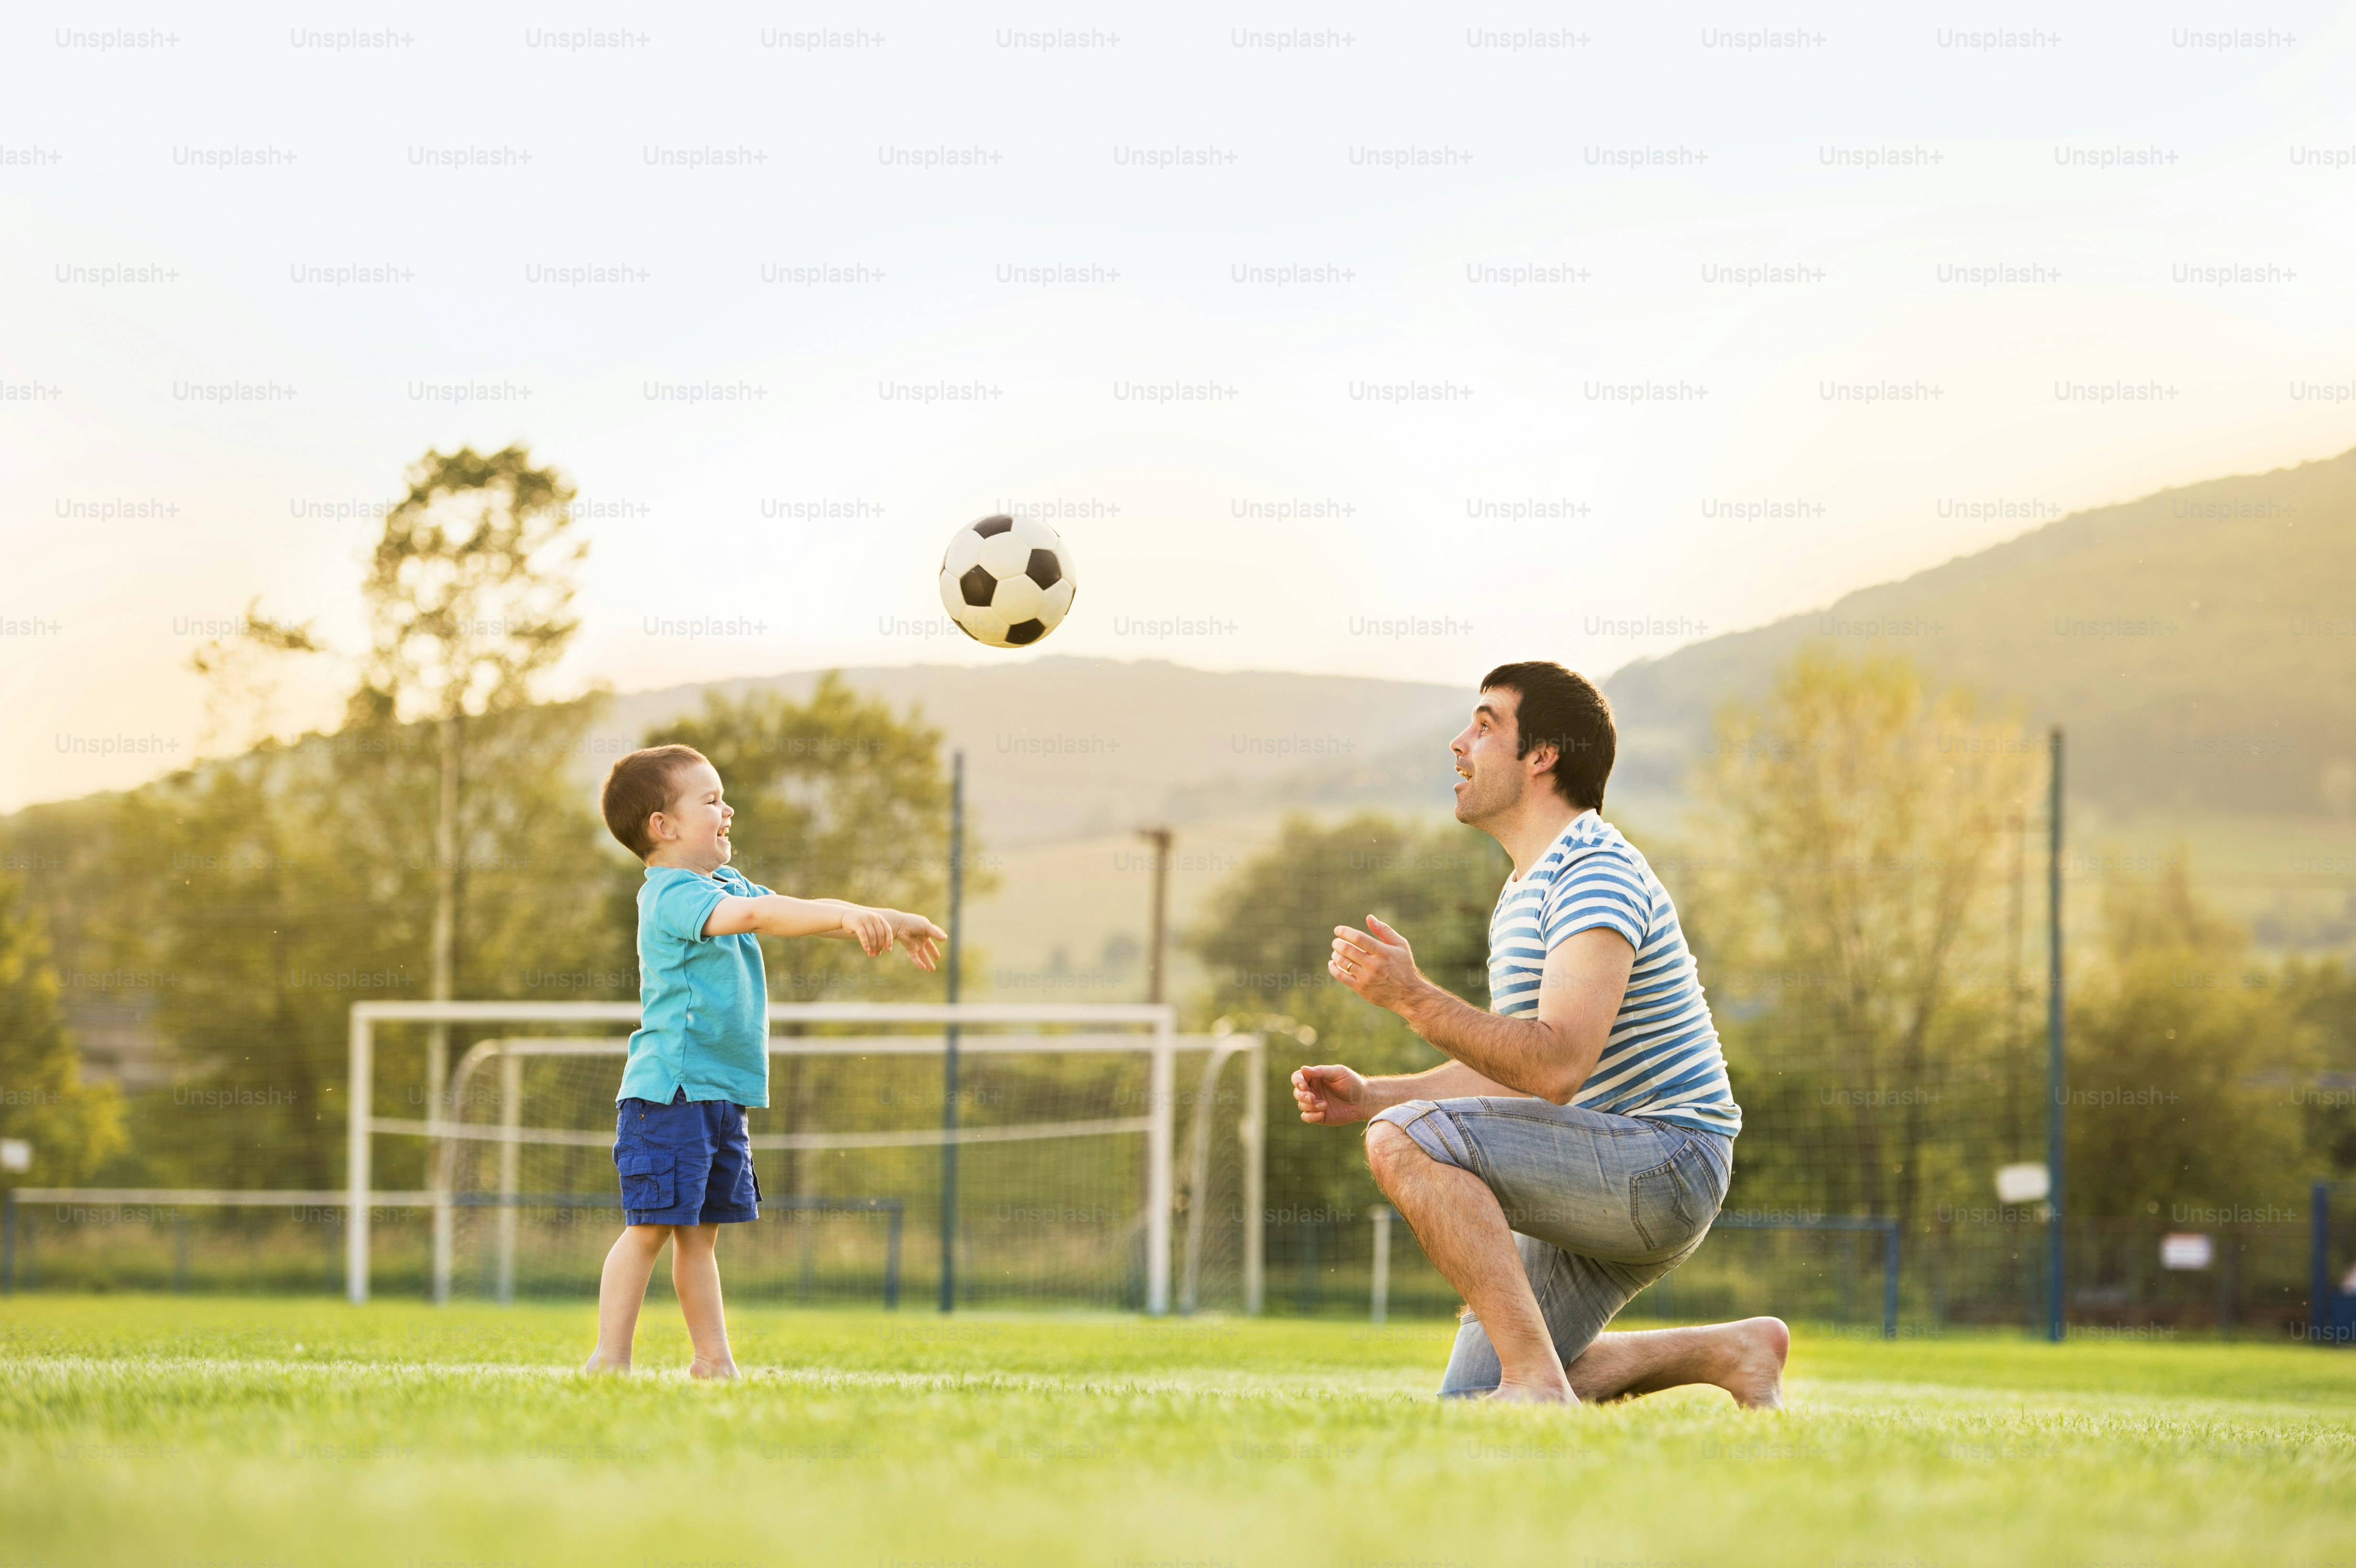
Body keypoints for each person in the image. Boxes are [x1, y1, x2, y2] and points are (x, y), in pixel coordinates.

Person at [1294, 662, 1787, 1405]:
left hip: (1664, 1160)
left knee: (1406, 1140)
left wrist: (1412, 998)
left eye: (1486, 725)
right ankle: (1730, 1353)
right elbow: (1517, 1067)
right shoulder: (1529, 885)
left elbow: (1556, 1066)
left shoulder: (1595, 871)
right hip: (1599, 1163)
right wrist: (1372, 1095)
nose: (1460, 744)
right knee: (1468, 1400)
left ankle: (1536, 1385)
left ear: (1543, 754)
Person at [582, 743, 945, 1377]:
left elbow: (805, 915)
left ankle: (712, 1362)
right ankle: (610, 1357)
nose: (729, 808)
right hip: (672, 1091)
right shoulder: (671, 894)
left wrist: (889, 919)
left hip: (721, 1093)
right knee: (650, 1229)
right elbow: (760, 916)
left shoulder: (725, 882)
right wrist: (854, 912)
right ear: (663, 828)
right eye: (712, 799)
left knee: (700, 1235)